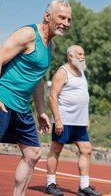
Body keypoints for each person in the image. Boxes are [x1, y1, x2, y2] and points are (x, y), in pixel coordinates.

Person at [0, 0, 71, 196]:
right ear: (47, 16)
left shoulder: (50, 46)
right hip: (2, 99)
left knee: (33, 154)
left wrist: (41, 111)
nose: (66, 23)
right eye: (61, 17)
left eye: (69, 19)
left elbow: (38, 79)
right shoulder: (28, 34)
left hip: (22, 107)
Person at [44, 45, 101, 196]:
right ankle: (50, 184)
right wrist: (57, 119)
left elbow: (84, 97)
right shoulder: (62, 72)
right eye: (80, 54)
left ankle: (84, 186)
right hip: (64, 119)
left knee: (86, 149)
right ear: (70, 56)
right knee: (56, 150)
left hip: (79, 122)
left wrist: (86, 117)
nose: (83, 56)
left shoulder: (81, 72)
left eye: (83, 53)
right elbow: (52, 97)